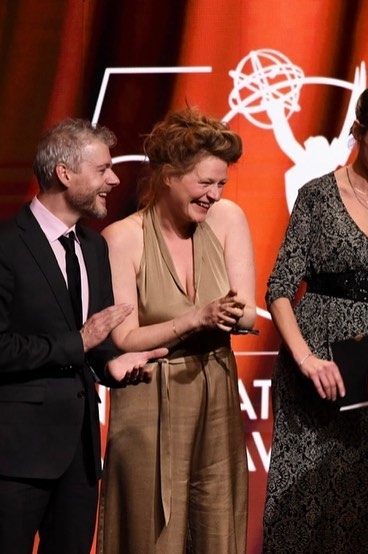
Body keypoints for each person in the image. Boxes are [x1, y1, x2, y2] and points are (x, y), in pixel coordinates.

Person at [261, 65, 368, 553]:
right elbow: (278, 288)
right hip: (314, 369)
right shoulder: (316, 196)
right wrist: (305, 360)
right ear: (358, 133)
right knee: (305, 506)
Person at [0, 118, 168, 554]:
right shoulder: (6, 246)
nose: (114, 179)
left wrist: (113, 365)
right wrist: (81, 342)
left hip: (79, 455)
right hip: (15, 457)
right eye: (103, 169)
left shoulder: (93, 247)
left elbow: (96, 343)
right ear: (65, 173)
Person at [97, 107, 256, 554]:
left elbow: (244, 313)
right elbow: (125, 338)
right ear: (168, 175)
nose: (215, 194)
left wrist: (225, 315)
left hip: (216, 388)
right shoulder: (121, 239)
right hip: (149, 395)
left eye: (222, 183)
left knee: (216, 522)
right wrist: (196, 319)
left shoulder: (228, 219)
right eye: (205, 182)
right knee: (151, 532)